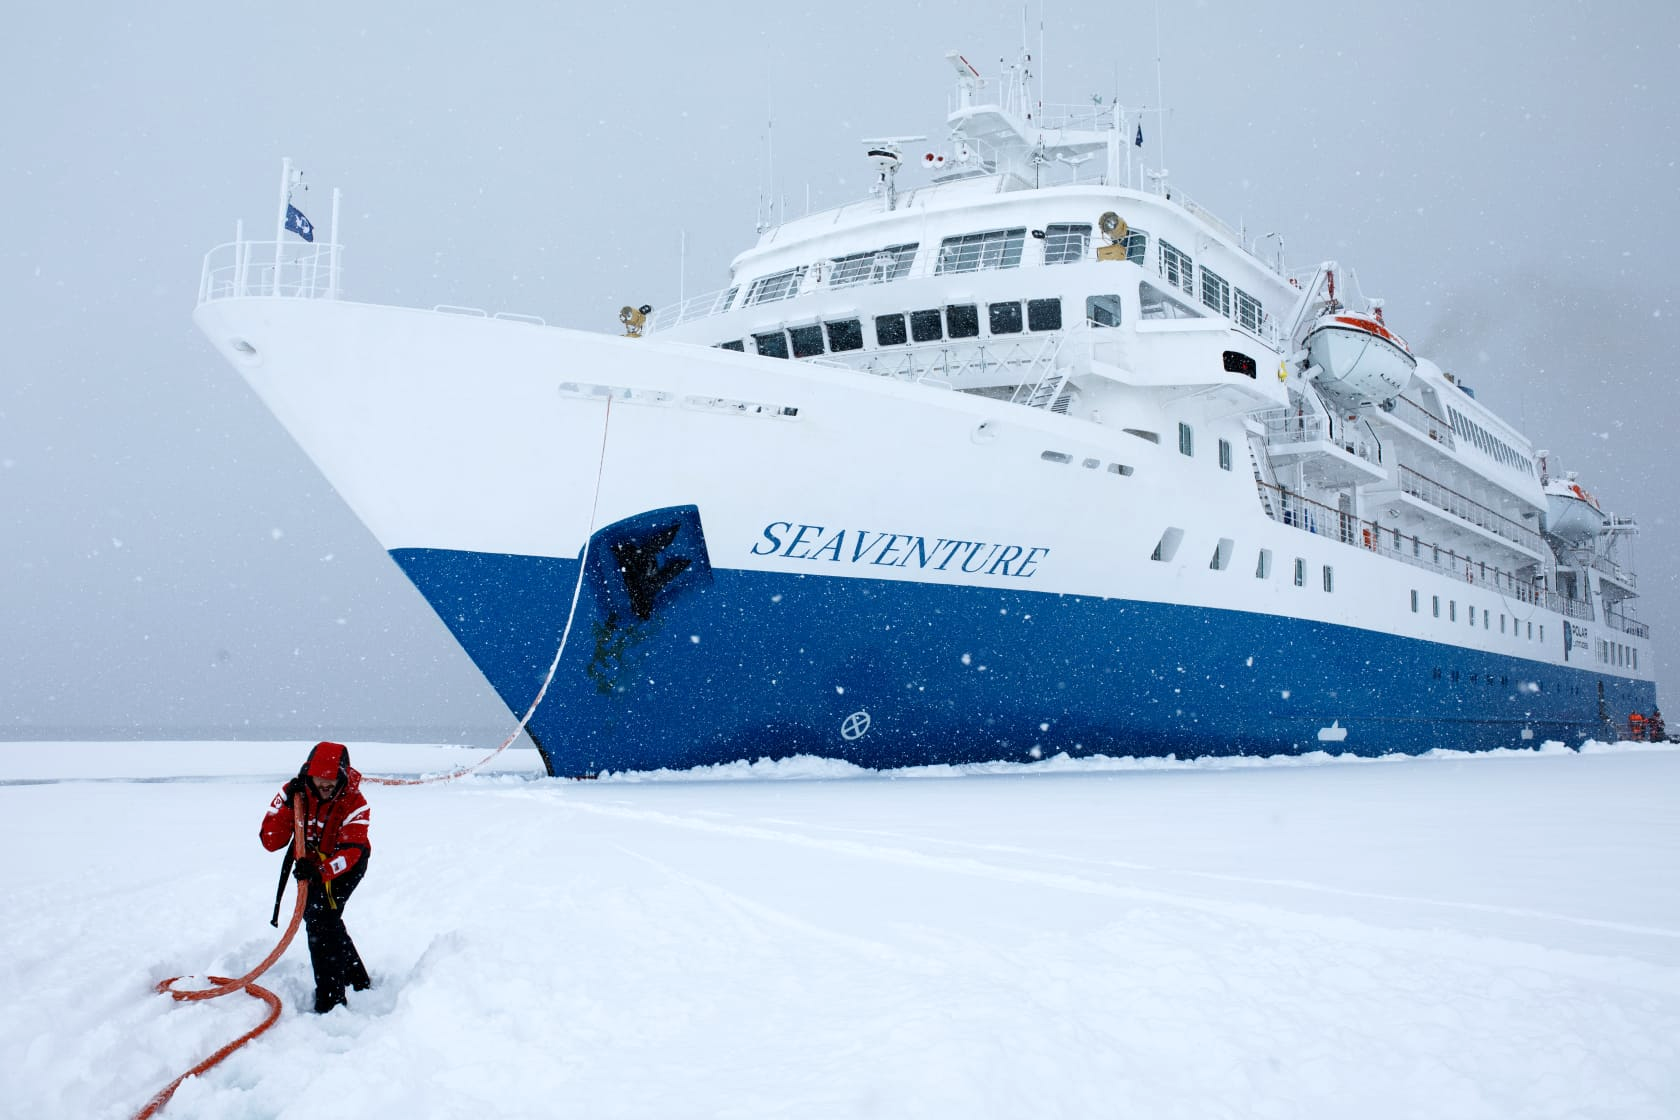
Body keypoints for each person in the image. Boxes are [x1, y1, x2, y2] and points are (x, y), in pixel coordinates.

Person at [260, 740, 372, 1013]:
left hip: (345, 865)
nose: (324, 784)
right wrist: (287, 805)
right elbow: (270, 841)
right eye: (318, 778)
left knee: (320, 919)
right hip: (311, 864)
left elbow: (352, 851)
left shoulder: (356, 802)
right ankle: (357, 978)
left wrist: (322, 871)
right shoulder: (293, 793)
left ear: (342, 777)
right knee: (325, 918)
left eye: (331, 780)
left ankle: (331, 1001)